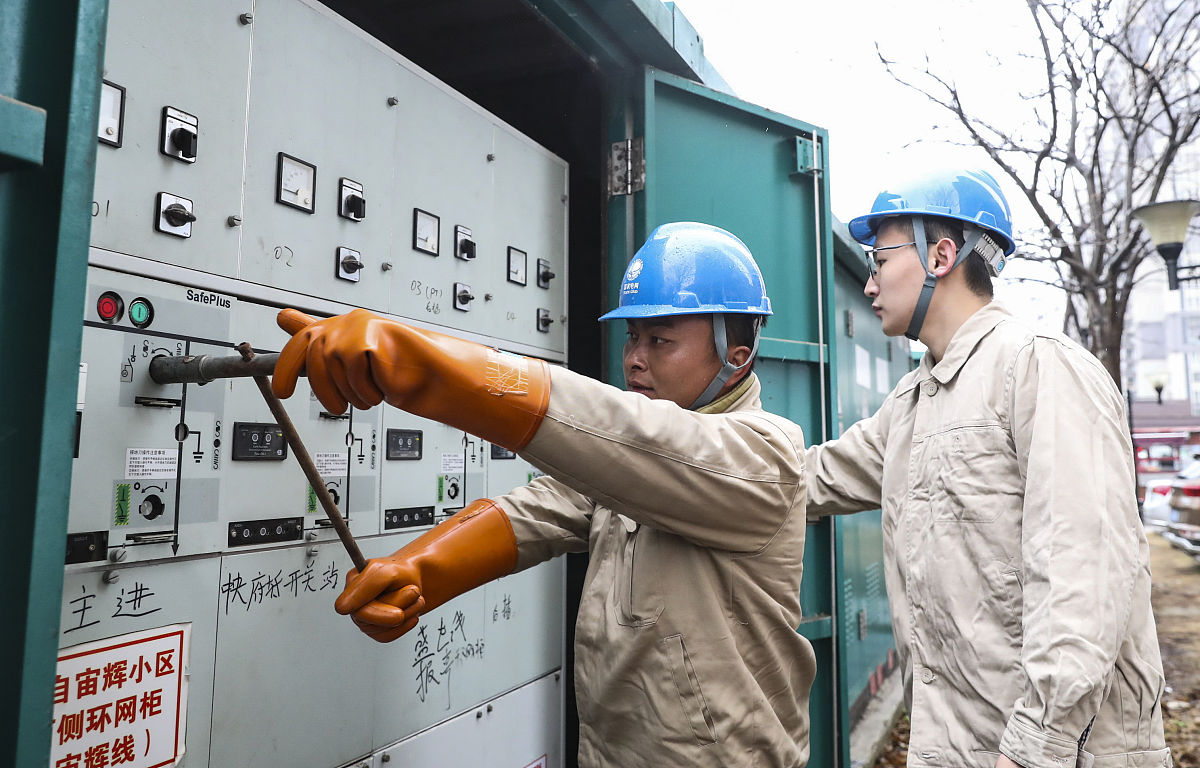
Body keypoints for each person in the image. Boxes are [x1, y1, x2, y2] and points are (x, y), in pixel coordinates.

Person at [271, 222, 817, 767]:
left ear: (736, 357)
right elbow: (542, 508)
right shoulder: (629, 469)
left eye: (661, 339)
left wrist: (414, 361)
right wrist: (420, 571)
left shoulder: (765, 456)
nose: (634, 357)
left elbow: (630, 436)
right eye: (632, 336)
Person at [804, 169, 1172, 768]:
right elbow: (810, 477)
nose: (869, 282)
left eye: (879, 257)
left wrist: (1036, 748)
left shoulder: (1040, 367)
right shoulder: (911, 402)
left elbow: (1083, 569)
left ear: (942, 254)